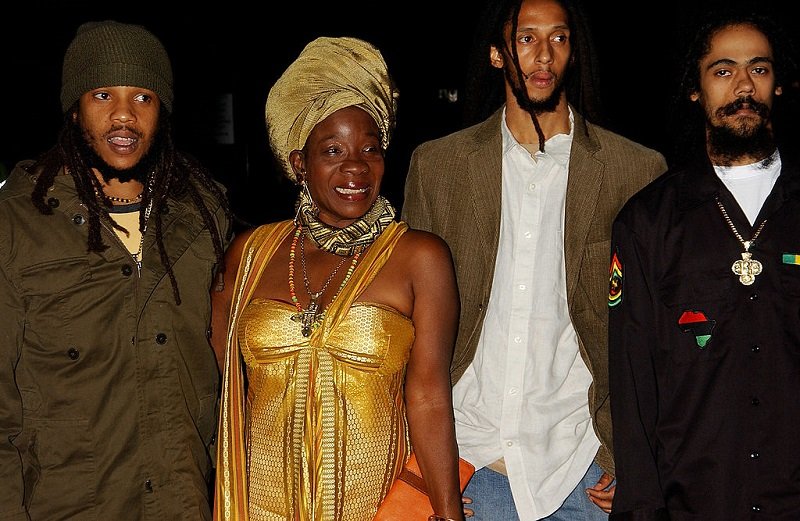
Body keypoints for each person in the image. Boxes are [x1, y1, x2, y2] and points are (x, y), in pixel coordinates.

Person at [401, 0, 668, 519]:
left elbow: (651, 332)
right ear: (498, 54)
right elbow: (407, 324)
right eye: (526, 38)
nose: (543, 55)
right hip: (467, 467)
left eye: (559, 38)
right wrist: (422, 458)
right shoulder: (439, 167)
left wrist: (635, 452)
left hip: (584, 471)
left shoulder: (633, 170)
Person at [211, 36, 465, 521]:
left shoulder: (418, 257)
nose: (356, 167)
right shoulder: (251, 254)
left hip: (377, 508)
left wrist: (448, 510)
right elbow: (223, 388)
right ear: (298, 164)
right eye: (333, 150)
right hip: (259, 507)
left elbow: (430, 397)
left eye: (370, 150)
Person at [0, 20, 231, 520]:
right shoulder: (18, 223)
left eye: (143, 97)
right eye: (103, 94)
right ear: (75, 107)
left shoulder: (203, 216)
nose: (124, 116)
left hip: (184, 503)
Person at [608, 7, 800, 520]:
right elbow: (632, 385)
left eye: (759, 69)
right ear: (695, 88)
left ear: (778, 84)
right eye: (723, 70)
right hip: (693, 502)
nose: (743, 85)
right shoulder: (648, 221)